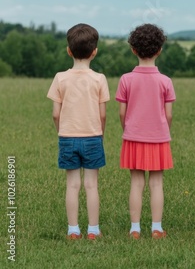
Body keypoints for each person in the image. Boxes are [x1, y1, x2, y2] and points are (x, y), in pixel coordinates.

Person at [47, 23, 109, 240]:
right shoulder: (99, 79)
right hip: (92, 137)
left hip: (67, 137)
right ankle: (93, 230)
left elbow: (56, 113)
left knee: (72, 185)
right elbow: (102, 114)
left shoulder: (59, 78)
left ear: (68, 51)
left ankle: (73, 230)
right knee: (91, 185)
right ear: (95, 52)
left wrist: (60, 131)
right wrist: (100, 134)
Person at [116, 24, 176, 240]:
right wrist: (161, 129)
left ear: (133, 49)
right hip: (159, 138)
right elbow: (168, 115)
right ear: (160, 49)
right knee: (157, 183)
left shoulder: (126, 79)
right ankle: (157, 228)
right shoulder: (165, 81)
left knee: (136, 183)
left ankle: (135, 228)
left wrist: (128, 128)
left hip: (133, 137)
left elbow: (122, 113)